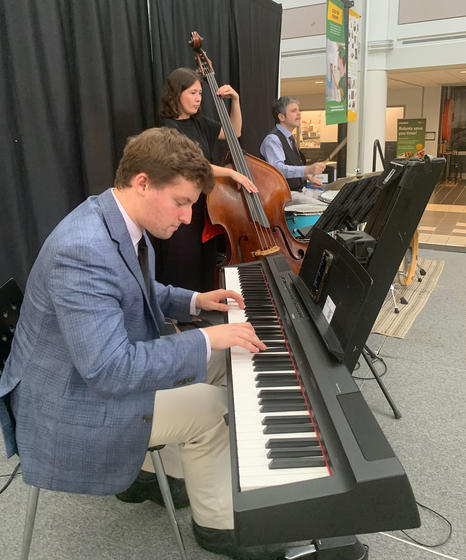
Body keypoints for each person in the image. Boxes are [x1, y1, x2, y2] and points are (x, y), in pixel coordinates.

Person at [0, 128, 302, 558]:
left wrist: (196, 301)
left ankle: (159, 473)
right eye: (181, 203)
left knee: (228, 358)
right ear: (142, 182)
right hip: (70, 407)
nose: (185, 218)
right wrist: (204, 336)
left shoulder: (118, 219)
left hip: (88, 374)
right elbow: (110, 370)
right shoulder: (82, 250)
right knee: (214, 408)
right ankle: (218, 525)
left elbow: (138, 290)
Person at [155, 67, 256, 293]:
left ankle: (201, 310)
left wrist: (236, 101)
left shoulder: (200, 123)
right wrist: (230, 172)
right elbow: (189, 164)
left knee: (204, 261)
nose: (198, 98)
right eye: (192, 92)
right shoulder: (168, 127)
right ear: (176, 94)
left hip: (207, 205)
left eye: (200, 93)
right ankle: (178, 317)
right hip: (181, 205)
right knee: (183, 261)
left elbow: (234, 132)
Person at [260, 96, 327, 191]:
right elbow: (278, 170)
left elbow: (291, 172)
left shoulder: (289, 139)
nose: (299, 114)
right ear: (281, 117)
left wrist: (307, 176)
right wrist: (307, 169)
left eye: (298, 110)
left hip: (299, 191)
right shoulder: (273, 139)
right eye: (293, 111)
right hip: (284, 196)